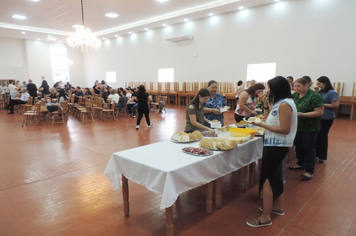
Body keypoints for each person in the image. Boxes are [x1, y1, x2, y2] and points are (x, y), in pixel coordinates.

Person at [246, 76, 297, 227]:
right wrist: (267, 106)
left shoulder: (284, 105)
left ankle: (265, 217)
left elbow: (285, 129)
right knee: (275, 176)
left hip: (277, 145)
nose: (268, 91)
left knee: (267, 178)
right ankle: (277, 207)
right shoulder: (281, 103)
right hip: (273, 144)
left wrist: (262, 125)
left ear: (277, 89)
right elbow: (270, 119)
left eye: (270, 88)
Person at [289, 78, 324, 180]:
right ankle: (301, 163)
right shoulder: (295, 95)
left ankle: (309, 170)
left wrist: (303, 114)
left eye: (298, 86)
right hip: (297, 126)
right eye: (295, 86)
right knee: (298, 145)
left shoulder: (314, 96)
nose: (296, 88)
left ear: (306, 85)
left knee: (308, 148)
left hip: (310, 127)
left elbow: (319, 112)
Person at [315, 76, 339, 164]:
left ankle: (321, 157)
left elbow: (335, 105)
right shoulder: (320, 92)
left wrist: (322, 104)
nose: (318, 85)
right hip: (319, 117)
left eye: (320, 84)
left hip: (327, 118)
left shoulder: (331, 92)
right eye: (317, 84)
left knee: (322, 136)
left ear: (325, 83)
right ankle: (316, 154)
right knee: (317, 136)